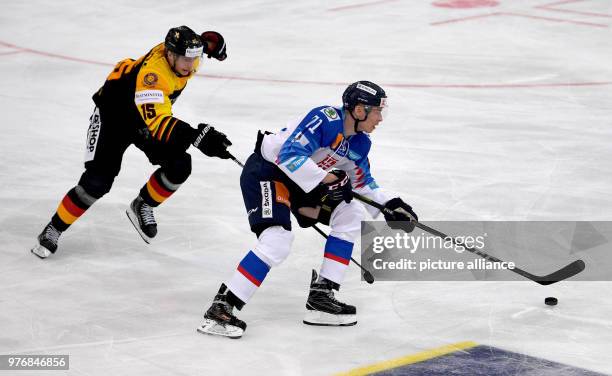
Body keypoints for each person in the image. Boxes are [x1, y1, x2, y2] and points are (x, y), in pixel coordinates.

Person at [197, 81, 419, 338]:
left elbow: (363, 184)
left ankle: (322, 297)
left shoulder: (359, 144)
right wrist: (331, 180)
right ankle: (222, 307)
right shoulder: (324, 119)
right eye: (377, 111)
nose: (380, 118)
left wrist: (391, 206)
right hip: (268, 173)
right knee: (277, 240)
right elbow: (289, 156)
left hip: (302, 183)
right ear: (359, 110)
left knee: (351, 214)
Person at [31, 26, 233, 258]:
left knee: (179, 165)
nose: (191, 65)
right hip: (112, 118)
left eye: (196, 57)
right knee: (96, 183)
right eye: (186, 59)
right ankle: (54, 228)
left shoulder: (183, 58)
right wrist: (197, 136)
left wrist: (212, 45)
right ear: (169, 55)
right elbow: (159, 123)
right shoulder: (153, 76)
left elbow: (203, 43)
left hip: (142, 119)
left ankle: (142, 204)